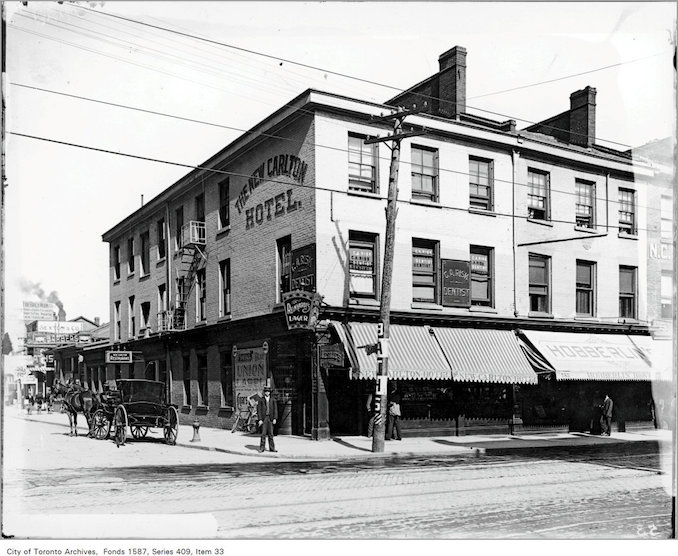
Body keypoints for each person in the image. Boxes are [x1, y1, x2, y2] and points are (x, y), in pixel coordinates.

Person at [256, 386, 278, 452]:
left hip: (270, 418)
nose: (267, 393)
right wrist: (260, 419)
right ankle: (262, 448)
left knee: (271, 434)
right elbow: (259, 410)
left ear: (270, 392)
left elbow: (275, 409)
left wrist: (275, 418)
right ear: (264, 392)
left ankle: (272, 448)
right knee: (263, 433)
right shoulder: (261, 400)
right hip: (264, 418)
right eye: (266, 391)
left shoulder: (273, 400)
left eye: (268, 391)